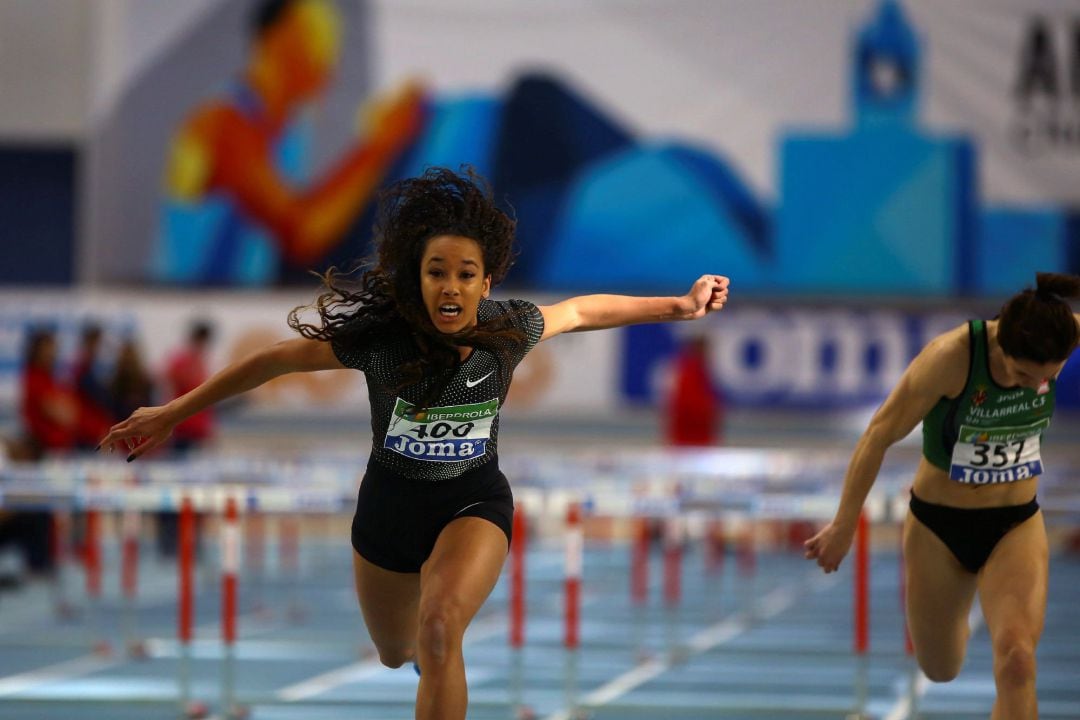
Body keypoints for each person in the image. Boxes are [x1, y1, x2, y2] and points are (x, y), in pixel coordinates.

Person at [100, 167, 729, 720]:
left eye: (464, 274)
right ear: (419, 280)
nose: (450, 286)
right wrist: (173, 413)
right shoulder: (384, 343)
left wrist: (679, 306)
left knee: (439, 627)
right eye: (436, 273)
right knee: (398, 651)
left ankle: (441, 662)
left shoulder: (509, 331)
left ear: (485, 285)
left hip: (472, 504)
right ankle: (431, 666)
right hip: (388, 513)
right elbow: (274, 360)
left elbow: (584, 311)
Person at [804, 273, 1080, 720]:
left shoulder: (1062, 333)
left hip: (1015, 524)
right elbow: (877, 436)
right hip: (938, 526)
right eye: (1022, 373)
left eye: (1047, 377)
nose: (1032, 387)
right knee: (940, 668)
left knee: (1017, 661)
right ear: (1001, 345)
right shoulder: (950, 358)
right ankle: (959, 604)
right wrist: (843, 524)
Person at [154, 0, 426, 285]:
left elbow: (304, 210)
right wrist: (378, 146)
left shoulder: (282, 128)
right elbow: (303, 233)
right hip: (196, 302)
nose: (327, 60)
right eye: (316, 39)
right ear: (276, 39)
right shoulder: (222, 122)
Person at [665, 334, 724, 446]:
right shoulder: (688, 374)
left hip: (698, 440)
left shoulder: (702, 373)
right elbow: (689, 407)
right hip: (689, 442)